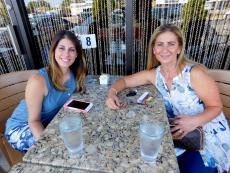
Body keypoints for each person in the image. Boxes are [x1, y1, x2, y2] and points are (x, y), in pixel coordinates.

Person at [106, 24, 230, 173]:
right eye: (160, 44)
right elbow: (125, 81)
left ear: (179, 48)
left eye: (171, 44)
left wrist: (194, 121)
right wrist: (112, 93)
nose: (165, 50)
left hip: (208, 140)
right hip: (181, 138)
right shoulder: (155, 75)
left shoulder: (194, 74)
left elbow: (216, 107)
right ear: (154, 49)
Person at [5, 30, 87, 152]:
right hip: (22, 127)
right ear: (53, 51)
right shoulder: (38, 80)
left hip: (49, 122)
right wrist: (50, 146)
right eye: (61, 48)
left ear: (77, 54)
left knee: (80, 135)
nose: (66, 54)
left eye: (71, 49)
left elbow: (68, 99)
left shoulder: (74, 75)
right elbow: (33, 121)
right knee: (62, 147)